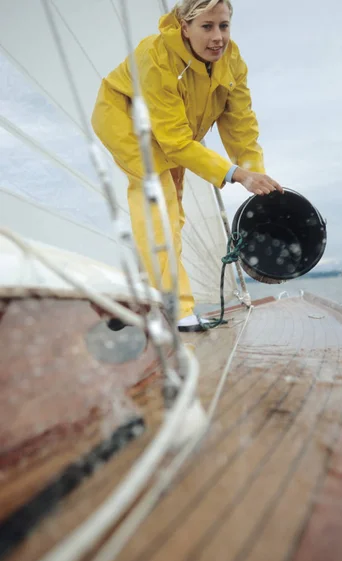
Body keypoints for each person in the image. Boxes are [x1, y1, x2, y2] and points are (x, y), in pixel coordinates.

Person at [91, 0, 283, 332]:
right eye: (206, 27)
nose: (218, 38)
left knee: (174, 216)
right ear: (184, 27)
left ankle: (137, 297)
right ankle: (176, 309)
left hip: (174, 133)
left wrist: (255, 173)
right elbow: (175, 142)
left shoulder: (232, 61)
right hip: (126, 124)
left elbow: (241, 126)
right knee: (160, 213)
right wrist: (236, 175)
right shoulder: (154, 57)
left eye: (223, 26)